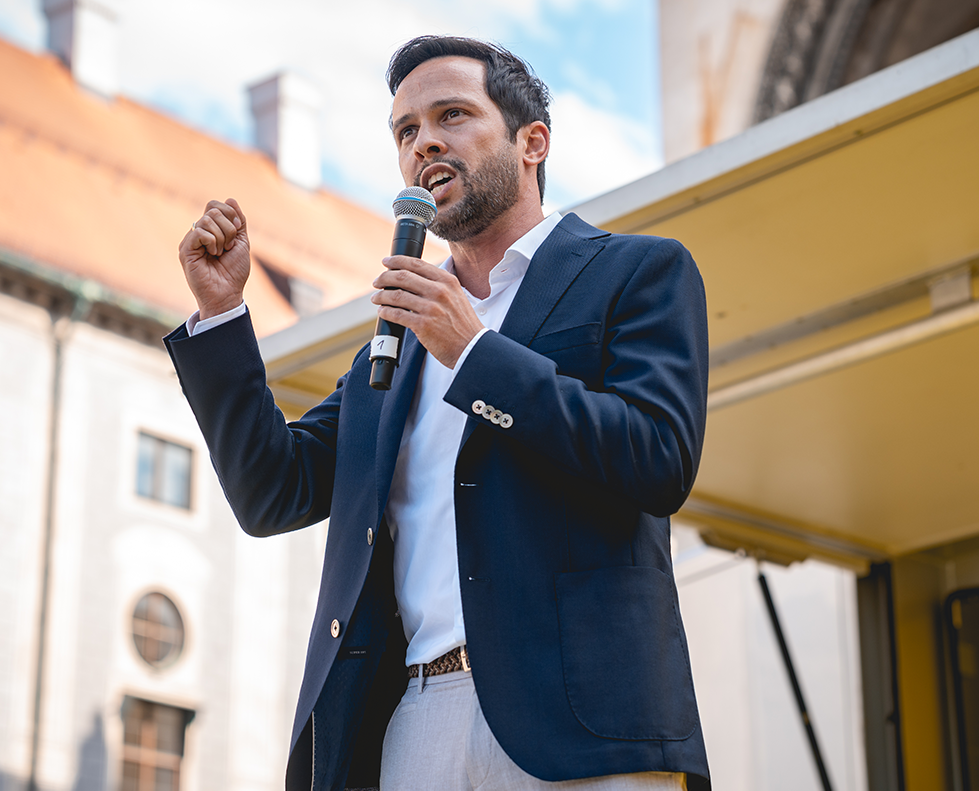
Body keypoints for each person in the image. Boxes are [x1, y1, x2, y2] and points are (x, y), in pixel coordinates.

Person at [168, 36, 711, 791]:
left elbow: (658, 458)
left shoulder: (637, 274)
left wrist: (476, 351)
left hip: (584, 723)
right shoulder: (394, 350)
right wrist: (222, 315)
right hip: (415, 715)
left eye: (451, 114)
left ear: (532, 142)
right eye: (404, 130)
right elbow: (273, 491)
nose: (424, 141)